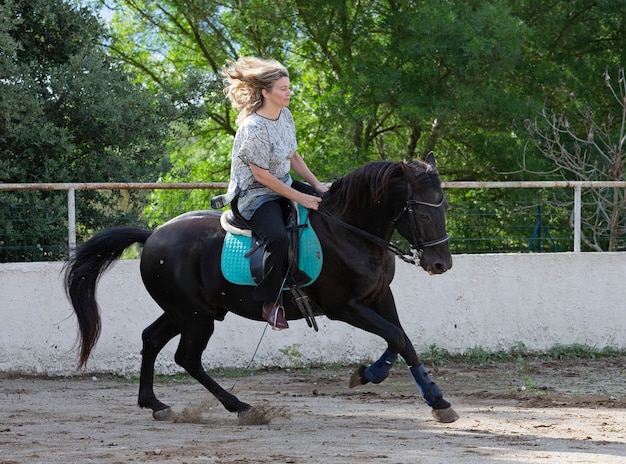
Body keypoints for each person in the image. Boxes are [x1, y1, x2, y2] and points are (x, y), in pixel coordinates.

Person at [214, 57, 328, 330]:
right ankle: (269, 302)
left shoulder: (284, 115)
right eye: (283, 89)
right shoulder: (253, 128)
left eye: (289, 87)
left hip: (281, 186)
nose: (289, 93)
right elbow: (261, 176)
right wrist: (300, 197)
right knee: (277, 238)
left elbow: (293, 155)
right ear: (265, 93)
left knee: (328, 206)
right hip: (254, 196)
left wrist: (317, 186)